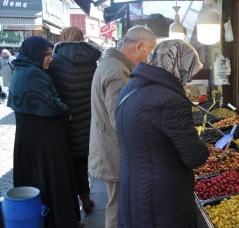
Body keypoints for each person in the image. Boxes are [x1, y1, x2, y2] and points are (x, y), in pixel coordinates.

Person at [116, 39, 209, 227]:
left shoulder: (129, 88)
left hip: (132, 186)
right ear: (177, 65)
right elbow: (195, 157)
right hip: (163, 198)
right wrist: (200, 142)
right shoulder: (170, 100)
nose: (189, 78)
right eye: (189, 70)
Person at [7, 36, 82, 228]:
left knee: (41, 179)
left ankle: (49, 220)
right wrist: (66, 110)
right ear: (34, 54)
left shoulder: (24, 70)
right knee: (52, 179)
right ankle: (58, 222)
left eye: (50, 54)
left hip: (33, 139)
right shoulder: (32, 74)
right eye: (46, 54)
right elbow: (51, 105)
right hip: (43, 141)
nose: (50, 58)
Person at [89, 25, 156, 228]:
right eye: (149, 52)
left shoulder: (111, 63)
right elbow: (121, 120)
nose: (148, 59)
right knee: (119, 207)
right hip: (114, 152)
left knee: (118, 204)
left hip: (108, 147)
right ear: (140, 45)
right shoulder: (118, 72)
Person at [48, 27, 102, 214]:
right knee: (82, 161)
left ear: (62, 39)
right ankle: (86, 199)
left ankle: (71, 208)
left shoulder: (55, 61)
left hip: (66, 122)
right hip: (87, 120)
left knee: (68, 165)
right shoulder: (92, 62)